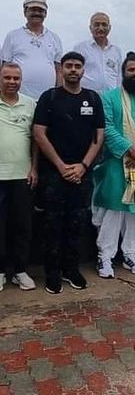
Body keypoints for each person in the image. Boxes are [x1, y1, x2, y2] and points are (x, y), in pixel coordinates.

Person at [33, 52, 105, 294]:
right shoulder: (49, 97)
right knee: (52, 225)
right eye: (69, 66)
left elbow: (99, 137)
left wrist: (83, 166)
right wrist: (61, 166)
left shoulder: (93, 99)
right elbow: (39, 133)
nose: (73, 70)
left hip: (81, 174)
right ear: (61, 70)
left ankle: (71, 269)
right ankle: (52, 273)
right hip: (54, 174)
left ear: (83, 70)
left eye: (77, 66)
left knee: (77, 224)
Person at [92, 52, 135, 278]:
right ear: (123, 73)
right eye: (131, 70)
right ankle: (105, 256)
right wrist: (127, 148)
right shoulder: (110, 98)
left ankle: (132, 254)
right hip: (116, 164)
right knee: (114, 209)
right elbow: (107, 127)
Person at [0, 63, 37, 292]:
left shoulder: (30, 104)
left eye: (16, 78)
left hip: (23, 175)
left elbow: (36, 140)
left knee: (22, 226)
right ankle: (2, 271)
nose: (12, 82)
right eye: (7, 78)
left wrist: (34, 168)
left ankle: (21, 271)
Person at [1, 0, 63, 100]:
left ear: (45, 14)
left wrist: (59, 95)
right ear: (25, 12)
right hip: (19, 97)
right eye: (33, 10)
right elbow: (4, 67)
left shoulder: (55, 38)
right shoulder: (12, 36)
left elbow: (59, 70)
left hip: (48, 98)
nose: (37, 13)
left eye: (40, 11)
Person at [74, 12, 122, 94]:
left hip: (110, 98)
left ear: (109, 28)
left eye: (104, 25)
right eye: (97, 25)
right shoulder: (80, 48)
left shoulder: (116, 51)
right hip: (87, 97)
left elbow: (119, 77)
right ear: (90, 28)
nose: (101, 28)